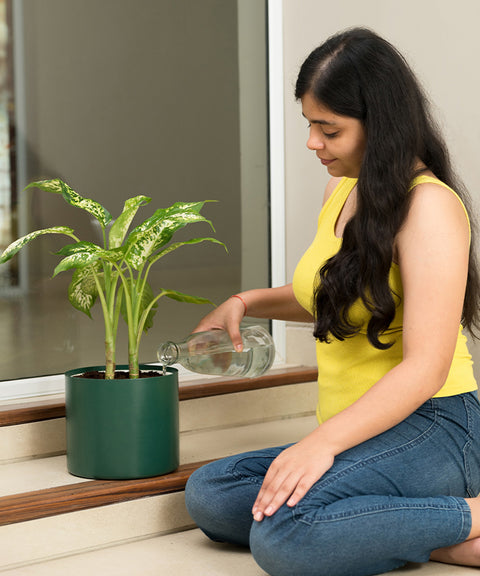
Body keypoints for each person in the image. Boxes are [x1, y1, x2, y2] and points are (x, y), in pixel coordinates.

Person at [184, 27, 480, 576]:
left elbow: (425, 369)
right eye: (310, 125)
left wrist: (318, 444)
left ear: (381, 125)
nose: (312, 143)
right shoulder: (342, 190)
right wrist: (245, 301)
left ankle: (468, 517)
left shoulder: (431, 210)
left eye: (329, 129)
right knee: (213, 494)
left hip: (435, 425)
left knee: (282, 533)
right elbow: (338, 297)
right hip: (360, 431)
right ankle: (418, 536)